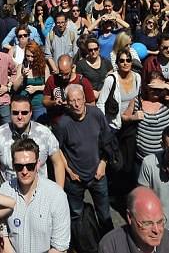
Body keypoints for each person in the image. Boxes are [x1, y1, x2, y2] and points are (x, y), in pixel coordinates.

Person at [53, 83, 114, 238]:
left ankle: (110, 243)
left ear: (85, 98)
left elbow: (108, 141)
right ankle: (82, 244)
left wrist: (103, 163)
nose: (77, 104)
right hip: (75, 179)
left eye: (79, 99)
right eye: (72, 101)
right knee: (76, 215)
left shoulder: (96, 114)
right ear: (67, 102)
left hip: (98, 174)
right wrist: (68, 171)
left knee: (104, 214)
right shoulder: (62, 124)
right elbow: (56, 150)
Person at [0, 137, 71, 253]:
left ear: (38, 164)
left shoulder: (56, 196)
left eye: (30, 166)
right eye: (19, 166)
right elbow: (3, 234)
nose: (25, 171)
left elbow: (60, 247)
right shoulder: (5, 190)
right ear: (13, 165)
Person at [0, 94, 66, 191]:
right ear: (10, 113)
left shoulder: (45, 133)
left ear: (31, 113)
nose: (20, 117)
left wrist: (59, 193)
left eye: (24, 113)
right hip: (10, 195)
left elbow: (58, 163)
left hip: (40, 194)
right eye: (15, 113)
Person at [99, 186, 169, 253]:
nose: (156, 230)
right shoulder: (110, 247)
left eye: (160, 222)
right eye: (147, 223)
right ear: (130, 217)